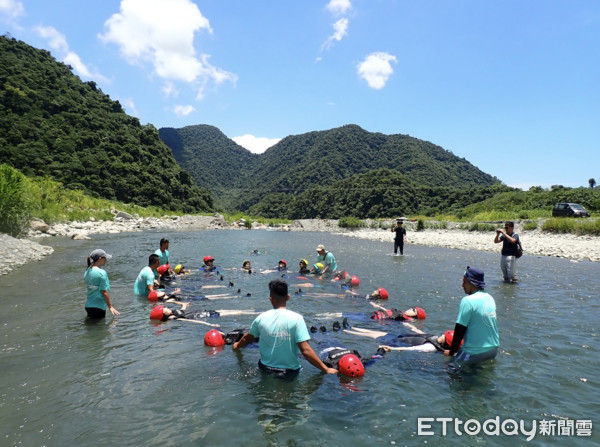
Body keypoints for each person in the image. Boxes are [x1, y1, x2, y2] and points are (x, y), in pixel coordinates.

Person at [232, 279, 338, 375]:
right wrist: (326, 369)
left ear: (271, 299)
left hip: (265, 369)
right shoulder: (297, 319)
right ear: (288, 297)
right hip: (289, 373)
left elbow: (247, 338)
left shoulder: (260, 318)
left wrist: (237, 345)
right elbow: (305, 350)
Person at [443, 267, 499, 364]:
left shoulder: (468, 301)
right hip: (493, 349)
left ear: (471, 283)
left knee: (451, 371)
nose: (462, 285)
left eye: (464, 281)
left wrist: (452, 352)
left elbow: (459, 330)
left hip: (475, 352)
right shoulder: (490, 298)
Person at [84, 249, 119, 319]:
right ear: (100, 259)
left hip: (88, 306)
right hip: (99, 307)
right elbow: (104, 291)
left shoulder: (87, 271)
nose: (106, 260)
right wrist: (110, 306)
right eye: (105, 258)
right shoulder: (101, 273)